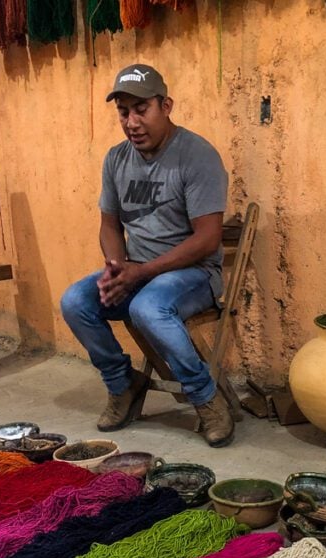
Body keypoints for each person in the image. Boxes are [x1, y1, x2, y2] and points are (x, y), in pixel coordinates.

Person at [60, 63, 234, 447]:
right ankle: (123, 385)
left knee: (148, 307)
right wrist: (116, 268)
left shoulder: (197, 155)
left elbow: (207, 240)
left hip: (194, 275)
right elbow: (109, 225)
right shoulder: (116, 159)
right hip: (138, 272)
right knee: (75, 300)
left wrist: (141, 273)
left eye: (142, 109)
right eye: (124, 111)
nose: (132, 122)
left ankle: (207, 399)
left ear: (166, 105)